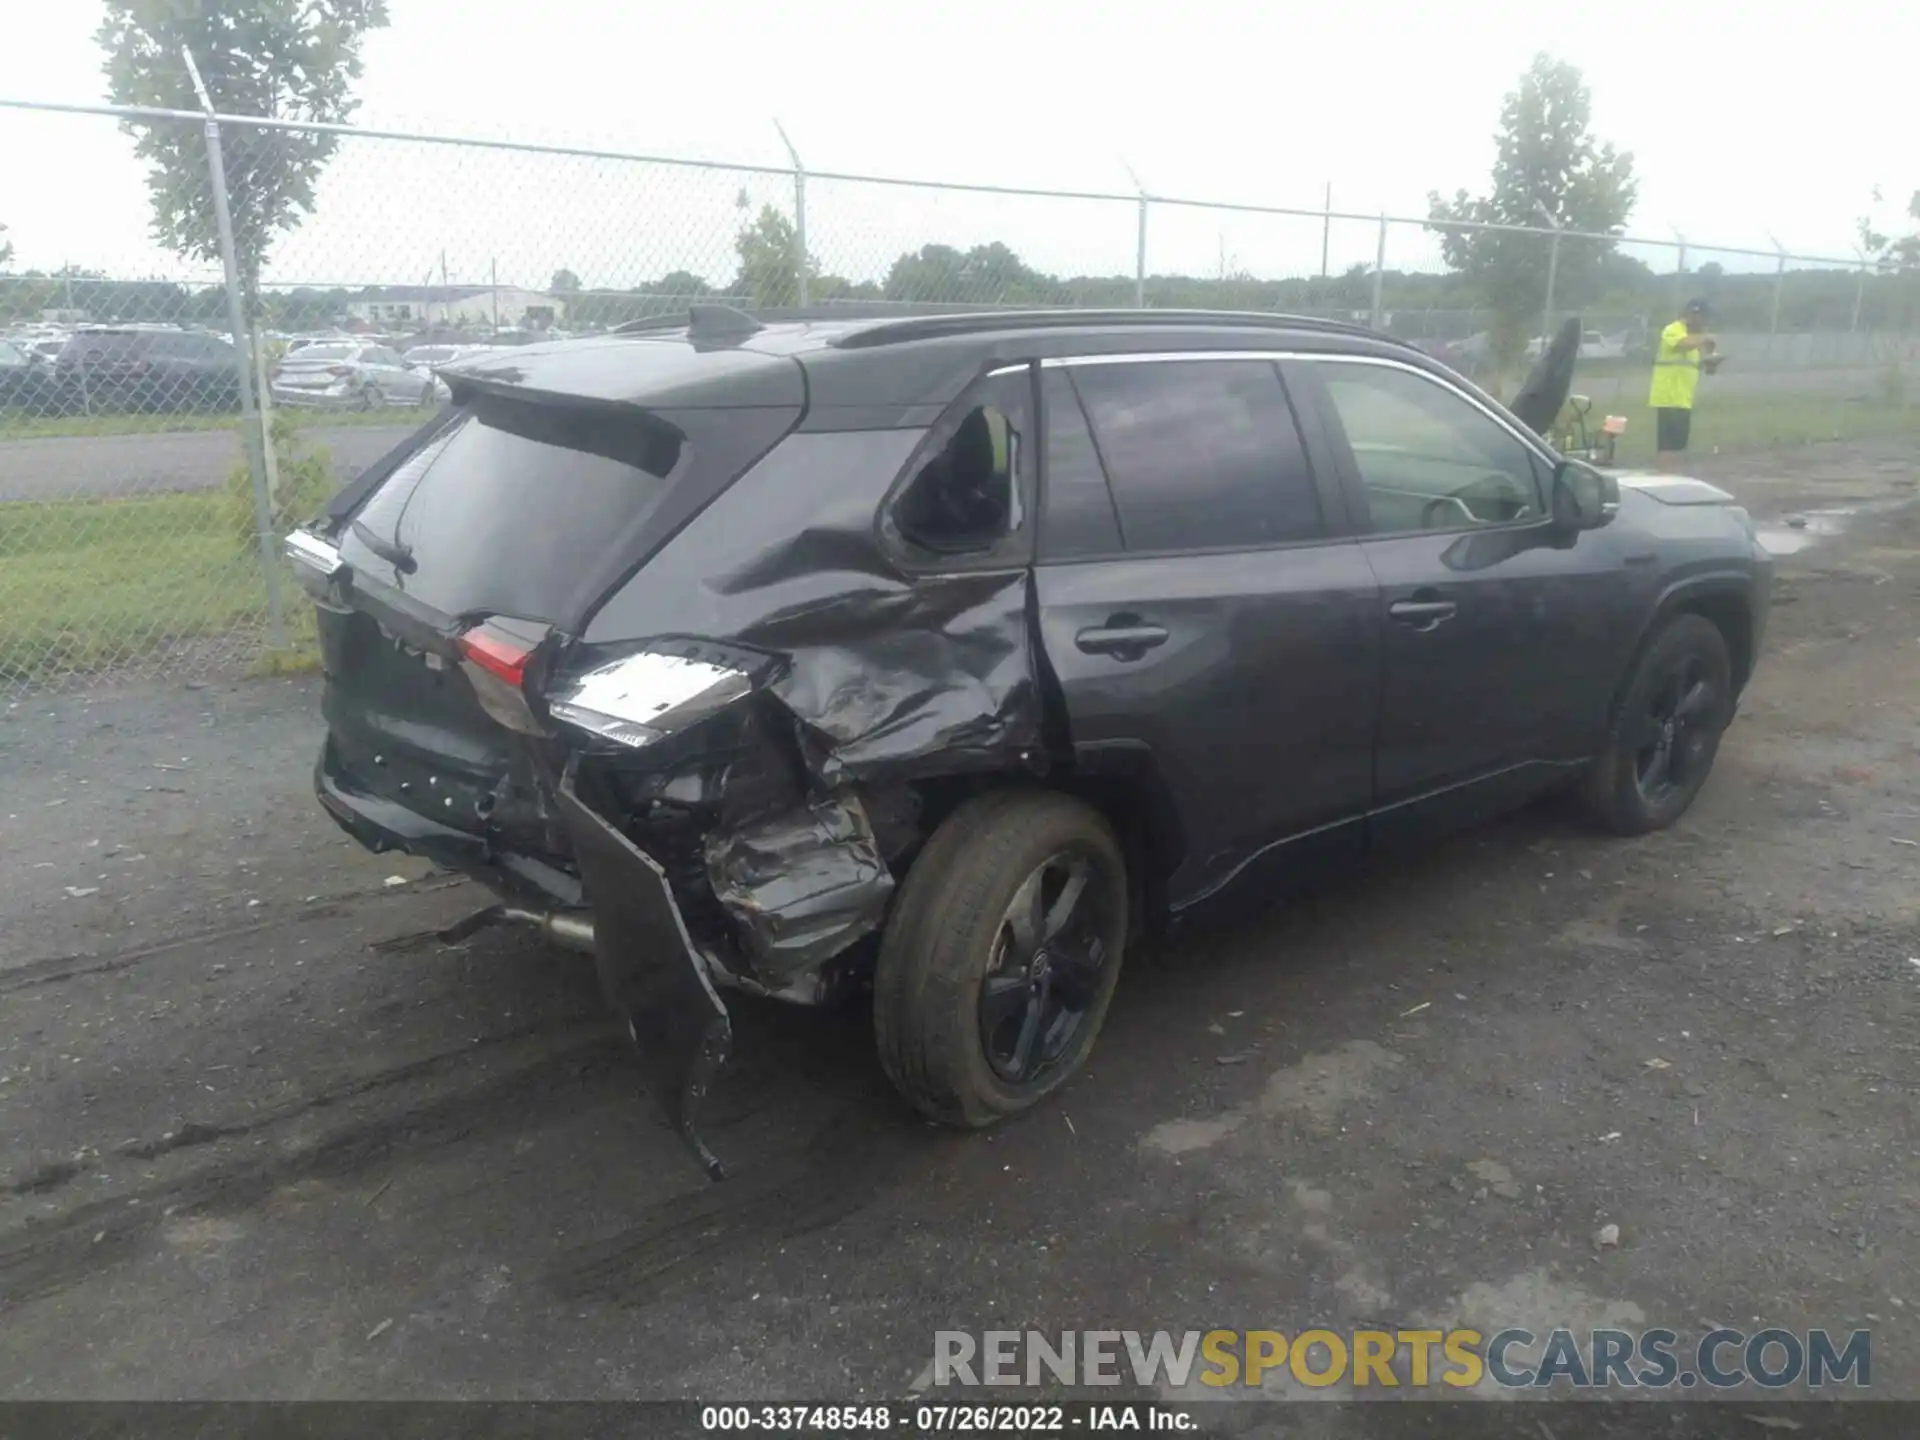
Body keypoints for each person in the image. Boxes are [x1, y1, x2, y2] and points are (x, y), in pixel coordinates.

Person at [1648, 298, 1720, 471]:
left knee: (1678, 447)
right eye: (1704, 317)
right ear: (1692, 314)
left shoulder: (1694, 338)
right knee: (1667, 447)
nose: (1706, 322)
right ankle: (1662, 480)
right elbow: (1682, 344)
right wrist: (1704, 338)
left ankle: (1671, 478)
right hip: (1668, 398)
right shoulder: (1673, 330)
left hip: (1683, 399)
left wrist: (1711, 362)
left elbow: (1698, 368)